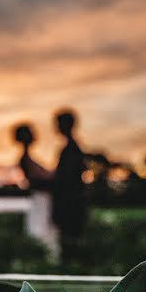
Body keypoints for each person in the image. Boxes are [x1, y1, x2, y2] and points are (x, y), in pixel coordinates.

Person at [12, 123, 59, 260]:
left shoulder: (28, 158)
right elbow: (35, 182)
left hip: (43, 198)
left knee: (46, 229)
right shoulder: (24, 159)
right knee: (42, 228)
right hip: (40, 199)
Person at [52, 109, 87, 259]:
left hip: (70, 203)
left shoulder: (71, 149)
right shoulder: (73, 148)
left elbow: (67, 179)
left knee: (70, 239)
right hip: (72, 201)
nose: (56, 127)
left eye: (58, 123)